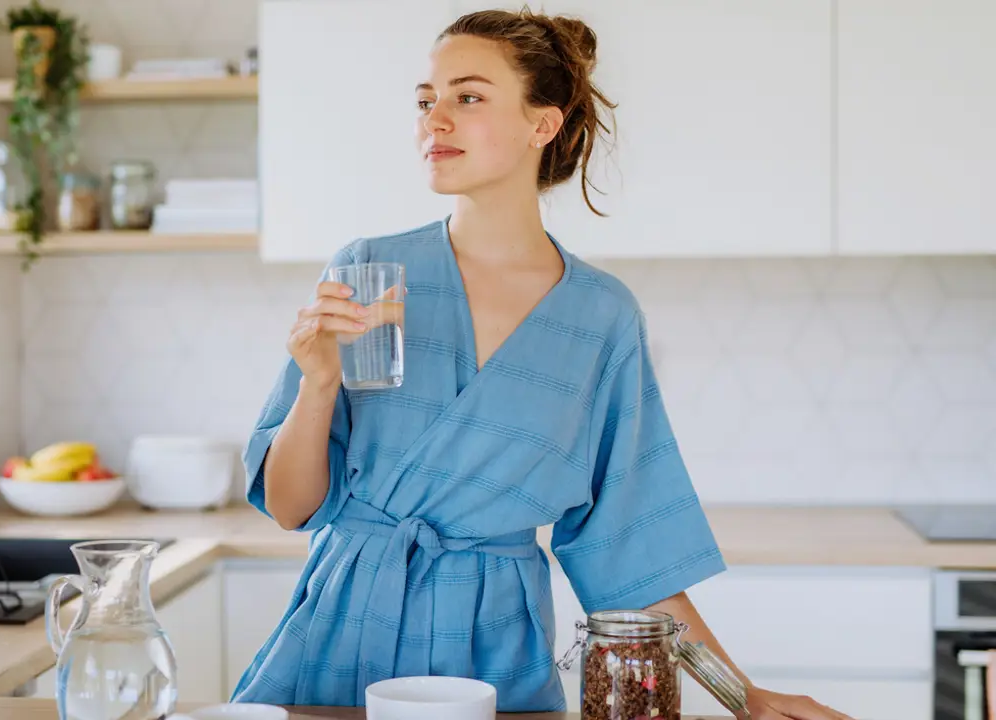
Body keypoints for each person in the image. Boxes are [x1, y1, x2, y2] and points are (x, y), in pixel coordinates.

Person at [232, 7, 852, 719]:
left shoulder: (600, 318)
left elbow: (630, 553)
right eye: (425, 100)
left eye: (468, 97)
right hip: (341, 642)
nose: (435, 120)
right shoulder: (371, 269)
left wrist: (744, 699)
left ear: (542, 124)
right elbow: (291, 507)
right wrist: (317, 384)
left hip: (493, 657)